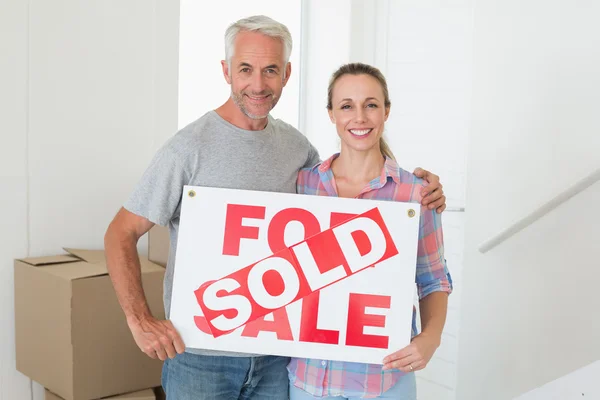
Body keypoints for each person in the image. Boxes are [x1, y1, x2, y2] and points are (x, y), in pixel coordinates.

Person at [104, 16, 447, 400]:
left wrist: (423, 193)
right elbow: (121, 232)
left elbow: (345, 201)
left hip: (278, 358)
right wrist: (140, 321)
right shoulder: (187, 149)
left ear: (286, 74)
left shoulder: (299, 153)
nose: (258, 84)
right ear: (226, 71)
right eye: (245, 69)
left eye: (270, 70)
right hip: (202, 358)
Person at [287, 63, 453, 400]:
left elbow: (433, 278)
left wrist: (430, 337)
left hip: (385, 381)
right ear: (332, 114)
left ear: (386, 111)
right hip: (307, 379)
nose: (359, 117)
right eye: (347, 106)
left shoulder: (415, 193)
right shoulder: (302, 185)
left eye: (371, 105)